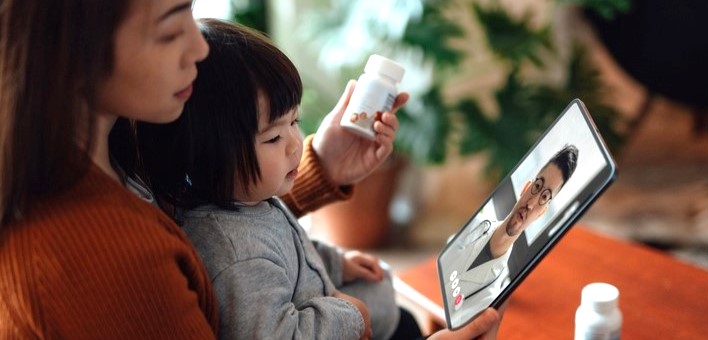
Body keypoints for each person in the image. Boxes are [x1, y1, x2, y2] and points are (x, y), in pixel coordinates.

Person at [0, 0, 500, 338]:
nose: (199, 50)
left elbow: (224, 220)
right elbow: (229, 257)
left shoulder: (119, 147)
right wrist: (353, 316)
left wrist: (319, 166)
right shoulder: (106, 264)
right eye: (171, 30)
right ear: (73, 50)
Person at [133, 19, 418, 340]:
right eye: (272, 138)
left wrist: (335, 263)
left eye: (294, 121)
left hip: (331, 309)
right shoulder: (236, 255)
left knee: (394, 303)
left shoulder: (249, 201)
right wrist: (351, 315)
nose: (296, 143)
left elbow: (288, 247)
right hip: (335, 325)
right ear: (208, 154)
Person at [451, 145, 579, 314]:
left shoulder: (495, 293)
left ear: (542, 213)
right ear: (526, 188)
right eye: (537, 186)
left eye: (545, 197)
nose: (531, 203)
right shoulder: (469, 229)